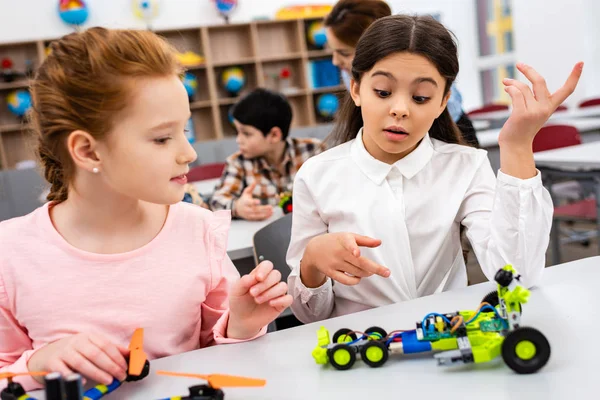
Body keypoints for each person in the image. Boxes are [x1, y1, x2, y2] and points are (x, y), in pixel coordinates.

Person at [0, 28, 292, 391]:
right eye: (162, 138)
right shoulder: (10, 252)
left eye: (185, 130)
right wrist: (38, 363)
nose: (189, 153)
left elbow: (224, 361)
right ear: (89, 151)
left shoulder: (197, 230)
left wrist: (241, 325)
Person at [286, 14, 582, 323]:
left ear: (442, 102)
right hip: (361, 348)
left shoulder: (465, 165)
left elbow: (517, 273)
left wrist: (518, 146)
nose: (400, 109)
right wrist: (311, 263)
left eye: (421, 97)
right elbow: (309, 316)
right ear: (357, 89)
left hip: (445, 342)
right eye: (383, 92)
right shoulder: (317, 175)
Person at [324, 0, 479, 147]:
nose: (335, 61)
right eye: (382, 92)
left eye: (344, 53)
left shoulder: (419, 62)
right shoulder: (351, 72)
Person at [209, 88, 324, 220]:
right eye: (238, 132)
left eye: (246, 133)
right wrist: (237, 207)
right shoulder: (238, 163)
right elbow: (216, 201)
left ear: (274, 135)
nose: (238, 140)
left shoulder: (313, 150)